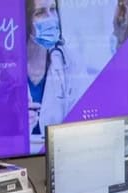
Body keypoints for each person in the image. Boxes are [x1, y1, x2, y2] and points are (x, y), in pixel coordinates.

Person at [27, 0, 73, 153]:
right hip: (14, 161)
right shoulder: (1, 69)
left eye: (53, 9)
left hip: (58, 157)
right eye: (39, 13)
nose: (51, 19)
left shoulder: (69, 62)